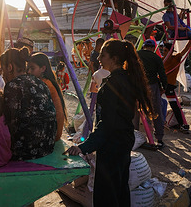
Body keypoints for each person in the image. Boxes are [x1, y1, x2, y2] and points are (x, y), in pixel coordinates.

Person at [64, 39, 155, 207]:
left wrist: (82, 147)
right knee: (120, 189)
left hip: (112, 145)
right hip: (124, 141)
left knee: (106, 195)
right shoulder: (128, 79)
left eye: (103, 55)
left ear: (114, 59)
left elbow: (106, 125)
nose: (99, 58)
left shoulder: (111, 85)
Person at [0, 47, 57, 160]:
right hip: (48, 145)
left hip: (26, 150)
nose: (3, 74)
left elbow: (10, 121)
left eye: (3, 69)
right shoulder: (40, 82)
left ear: (10, 67)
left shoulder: (12, 85)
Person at [28, 52, 67, 141]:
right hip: (55, 131)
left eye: (32, 68)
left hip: (52, 133)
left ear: (43, 68)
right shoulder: (46, 81)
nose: (29, 72)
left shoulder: (43, 84)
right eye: (28, 68)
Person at [137, 39, 168, 149]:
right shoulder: (156, 58)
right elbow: (162, 75)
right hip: (152, 86)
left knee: (136, 110)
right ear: (153, 47)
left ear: (144, 46)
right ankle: (159, 139)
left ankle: (135, 136)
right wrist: (165, 87)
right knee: (156, 111)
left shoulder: (137, 55)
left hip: (138, 86)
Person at [162, 0, 191, 65]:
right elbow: (169, 27)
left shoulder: (174, 14)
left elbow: (179, 20)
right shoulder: (166, 15)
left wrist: (182, 13)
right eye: (167, 5)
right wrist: (181, 28)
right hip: (175, 33)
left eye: (170, 5)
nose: (169, 7)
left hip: (180, 31)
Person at [162, 41, 191, 131]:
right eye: (163, 50)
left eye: (165, 50)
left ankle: (181, 124)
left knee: (174, 105)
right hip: (162, 84)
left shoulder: (175, 58)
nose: (163, 52)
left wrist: (190, 41)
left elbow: (185, 50)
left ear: (170, 51)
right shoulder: (161, 59)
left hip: (169, 85)